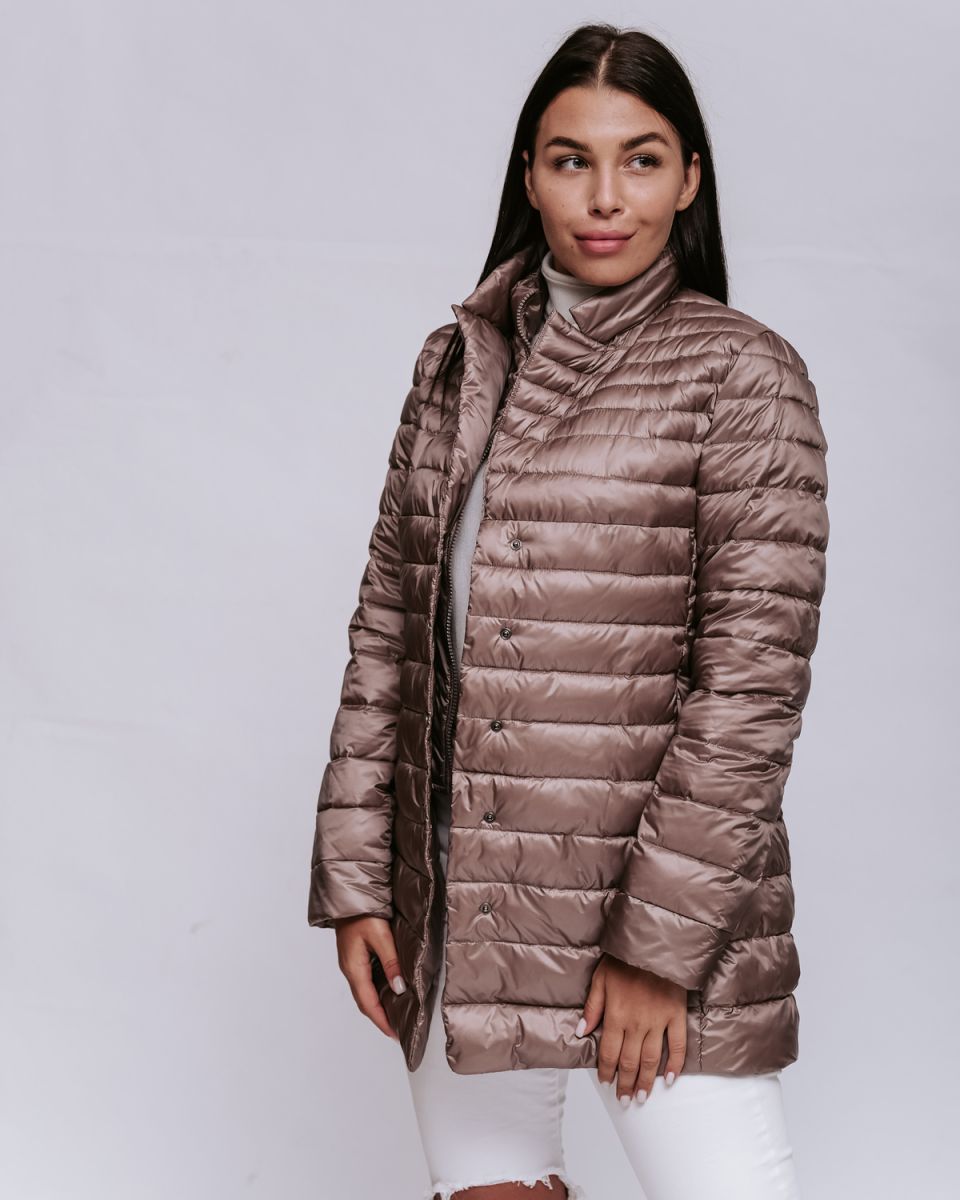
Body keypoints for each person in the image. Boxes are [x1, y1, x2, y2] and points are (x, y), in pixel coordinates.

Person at [308, 22, 829, 1200]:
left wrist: (658, 949)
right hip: (465, 906)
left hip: (659, 926)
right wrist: (361, 880)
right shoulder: (457, 366)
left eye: (641, 160)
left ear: (688, 180)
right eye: (570, 159)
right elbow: (388, 635)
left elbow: (750, 690)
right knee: (489, 1192)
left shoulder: (742, 374)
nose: (604, 197)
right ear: (529, 176)